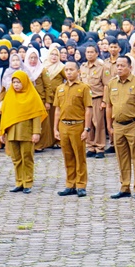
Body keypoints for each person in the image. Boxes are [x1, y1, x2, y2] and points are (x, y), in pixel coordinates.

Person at [104, 56, 135, 200]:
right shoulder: (111, 84)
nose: (119, 68)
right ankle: (124, 187)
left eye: (122, 65)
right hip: (118, 125)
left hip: (134, 124)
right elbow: (108, 106)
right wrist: (109, 126)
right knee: (121, 157)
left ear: (130, 67)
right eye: (117, 65)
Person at [0, 71, 48, 194]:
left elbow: (36, 115)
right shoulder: (9, 96)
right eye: (14, 82)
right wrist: (2, 132)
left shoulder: (32, 96)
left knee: (27, 157)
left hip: (26, 132)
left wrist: (36, 132)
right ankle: (19, 182)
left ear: (25, 82)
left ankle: (28, 182)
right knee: (16, 158)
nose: (16, 85)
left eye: (18, 82)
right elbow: (5, 115)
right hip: (12, 133)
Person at [52, 61, 93, 197]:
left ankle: (81, 184)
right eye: (67, 70)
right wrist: (55, 128)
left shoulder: (84, 88)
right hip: (64, 125)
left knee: (79, 156)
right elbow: (57, 109)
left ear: (78, 71)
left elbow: (88, 109)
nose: (69, 72)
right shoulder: (60, 88)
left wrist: (86, 128)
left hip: (77, 125)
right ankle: (70, 184)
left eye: (71, 69)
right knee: (68, 156)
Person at [80, 44, 111, 158]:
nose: (89, 54)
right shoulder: (83, 67)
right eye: (87, 52)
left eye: (92, 52)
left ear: (97, 53)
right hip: (85, 99)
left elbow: (107, 85)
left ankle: (99, 147)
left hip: (97, 98)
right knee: (88, 124)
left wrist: (104, 101)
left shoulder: (102, 67)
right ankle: (90, 146)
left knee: (98, 123)